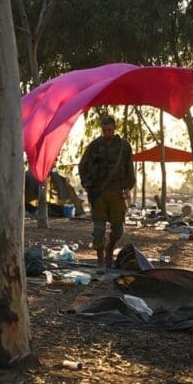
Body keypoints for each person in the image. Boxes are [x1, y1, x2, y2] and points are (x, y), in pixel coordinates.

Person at [78, 115, 136, 273]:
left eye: (109, 129)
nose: (107, 132)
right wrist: (87, 185)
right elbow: (82, 166)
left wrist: (128, 187)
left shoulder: (124, 147)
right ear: (101, 129)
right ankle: (101, 261)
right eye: (104, 130)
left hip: (117, 193)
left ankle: (110, 248)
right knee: (98, 229)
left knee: (118, 230)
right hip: (99, 193)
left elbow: (129, 169)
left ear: (114, 128)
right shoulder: (94, 146)